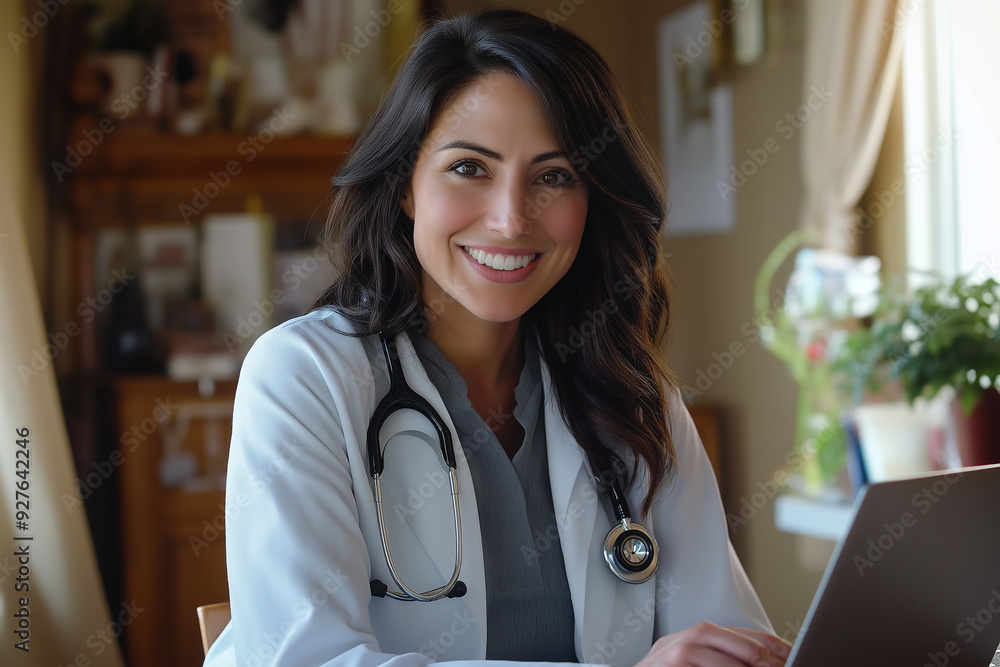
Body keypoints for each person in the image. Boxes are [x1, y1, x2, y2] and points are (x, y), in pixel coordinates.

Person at [204, 8, 791, 667]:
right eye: (469, 169)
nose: (512, 219)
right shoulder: (302, 377)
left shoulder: (632, 392)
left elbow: (721, 631)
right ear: (405, 186)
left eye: (554, 176)